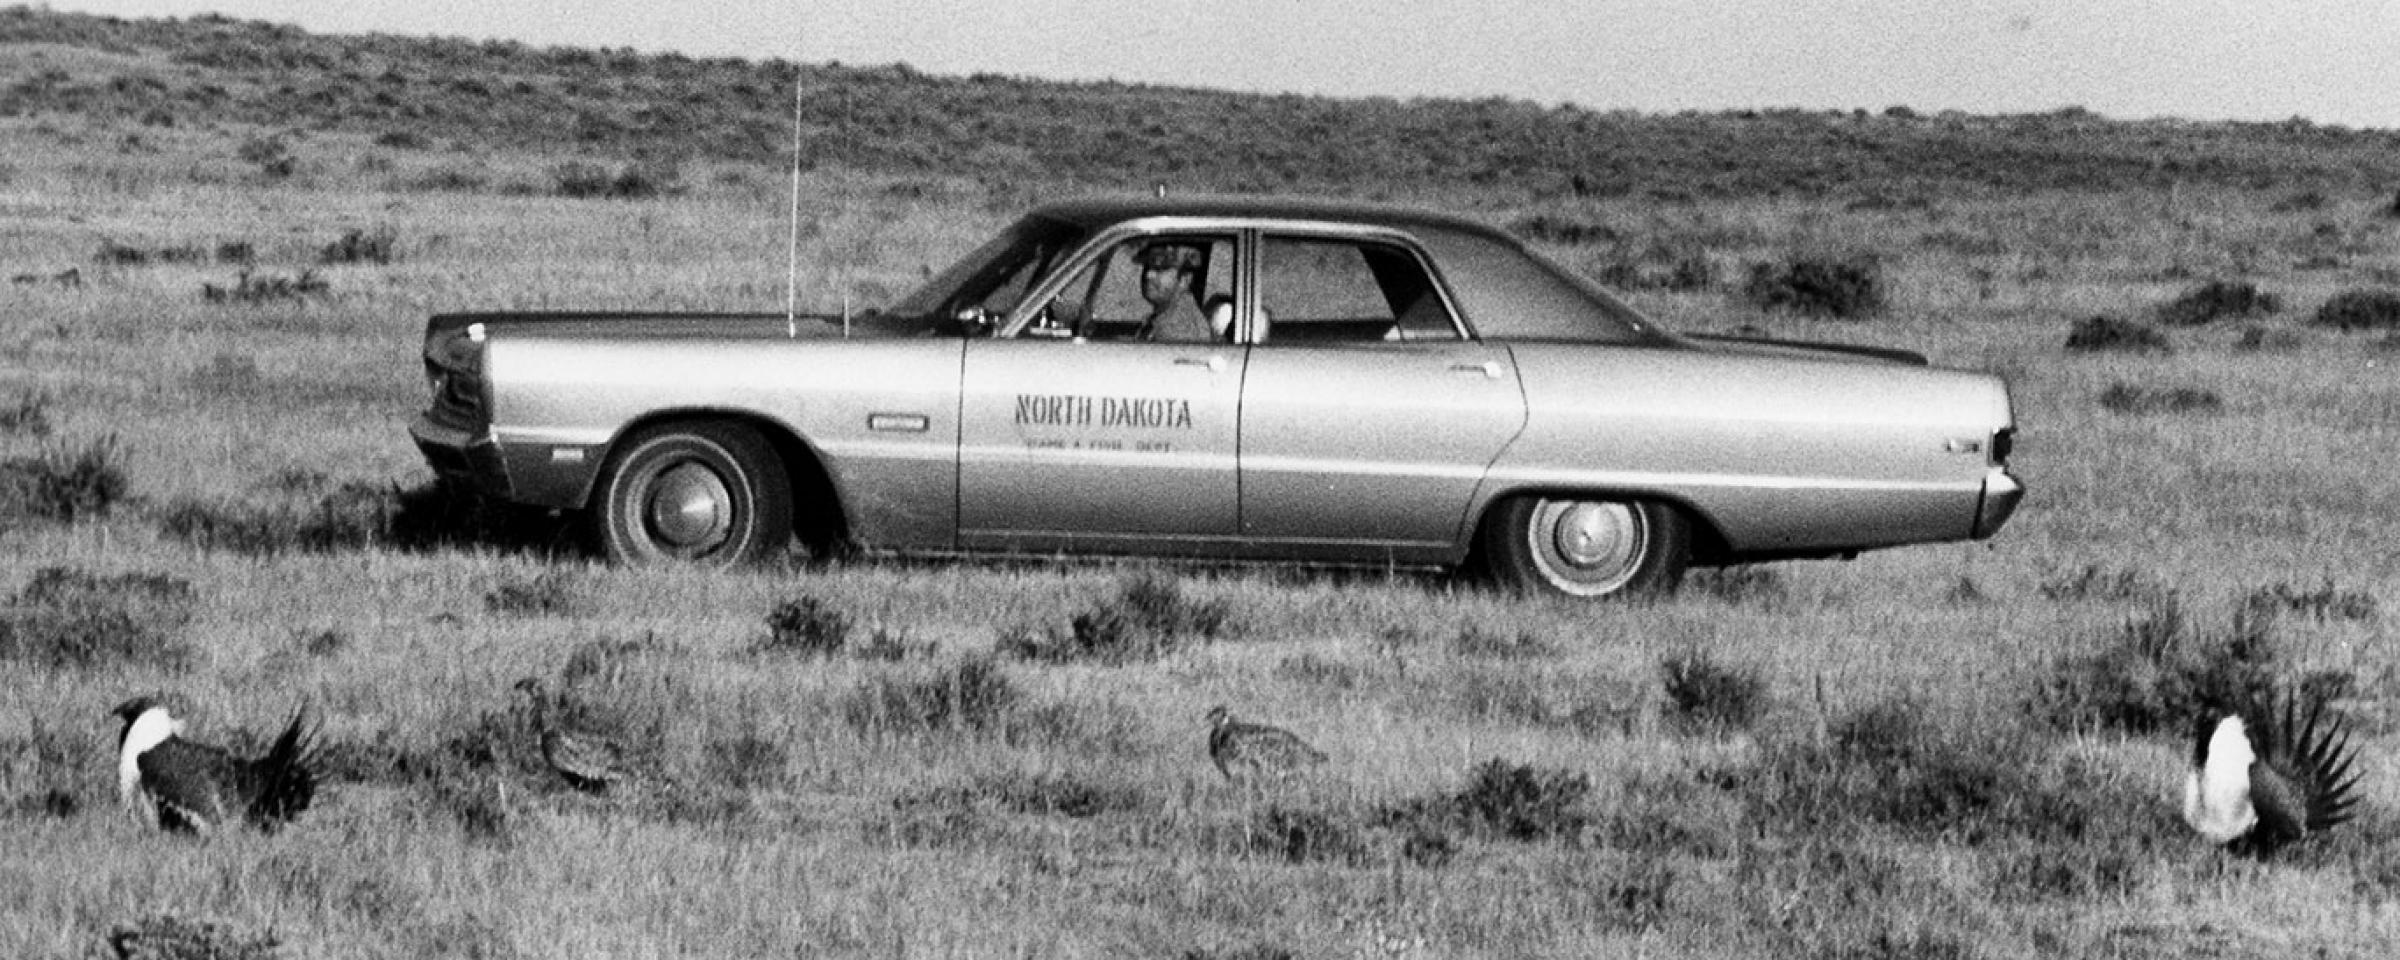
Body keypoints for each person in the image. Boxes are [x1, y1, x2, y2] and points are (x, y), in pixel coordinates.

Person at [1133, 242, 1216, 342]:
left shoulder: (1179, 327)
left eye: (1160, 269)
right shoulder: (1166, 316)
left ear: (1184, 279)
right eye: (1147, 267)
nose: (1148, 275)